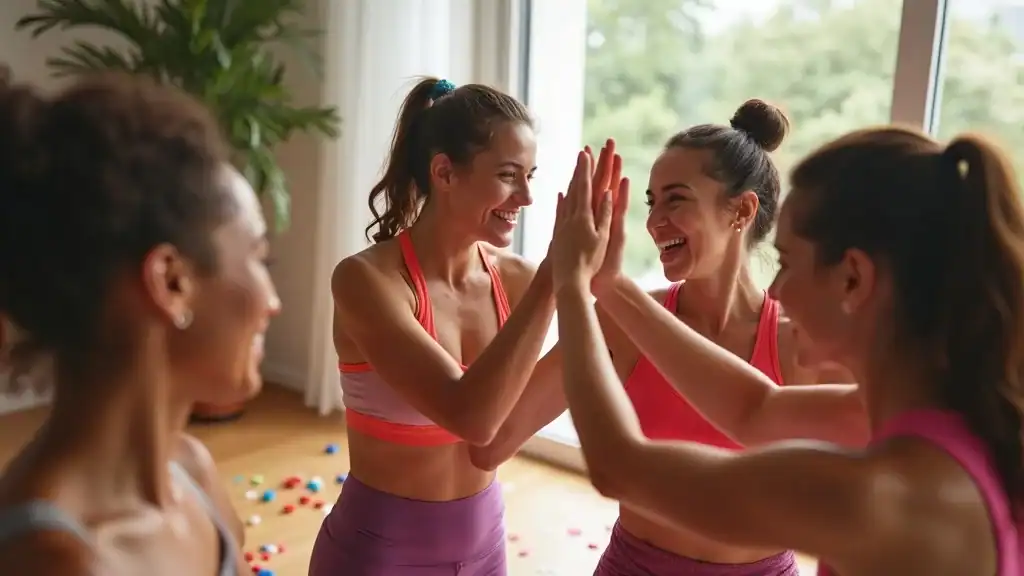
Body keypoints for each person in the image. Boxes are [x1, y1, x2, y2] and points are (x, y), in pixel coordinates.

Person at [552, 126, 1024, 575]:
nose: (775, 289)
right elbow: (755, 408)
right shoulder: (951, 413)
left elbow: (620, 468)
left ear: (853, 280)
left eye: (787, 262)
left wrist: (572, 287)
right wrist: (609, 286)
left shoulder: (876, 495)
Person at [472, 100, 846, 575]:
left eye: (676, 199)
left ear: (741, 210)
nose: (653, 222)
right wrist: (557, 273)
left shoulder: (802, 345)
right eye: (651, 203)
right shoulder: (622, 323)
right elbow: (494, 443)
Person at [309, 77, 616, 575]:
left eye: (531, 176)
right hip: (380, 553)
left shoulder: (514, 280)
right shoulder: (366, 280)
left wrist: (593, 281)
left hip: (484, 548)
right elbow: (469, 415)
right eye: (508, 175)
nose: (526, 198)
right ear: (445, 173)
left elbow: (512, 424)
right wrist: (552, 281)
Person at [0, 71, 278, 575]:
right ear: (170, 281)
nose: (272, 302)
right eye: (259, 259)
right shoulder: (53, 560)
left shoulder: (193, 472)